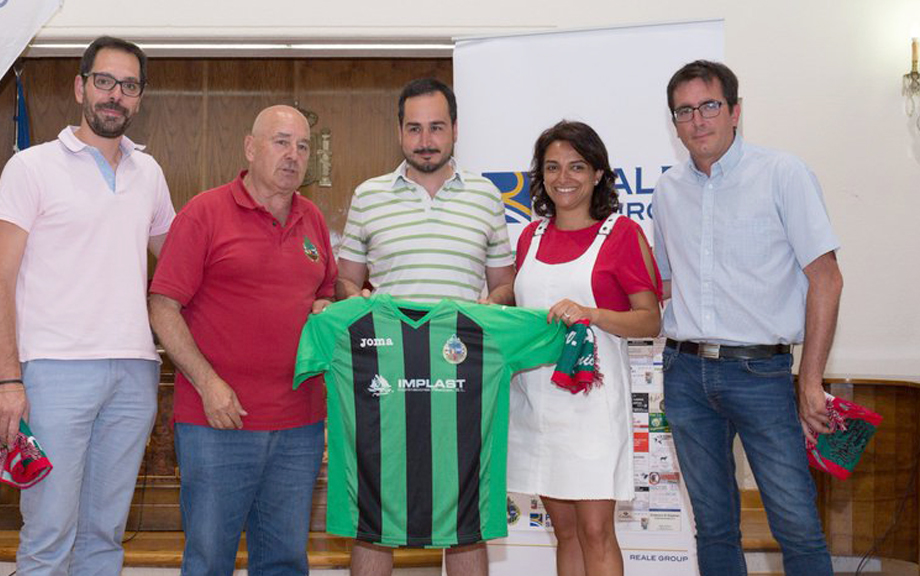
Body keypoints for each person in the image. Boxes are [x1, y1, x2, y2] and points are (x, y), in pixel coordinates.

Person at [0, 36, 175, 576]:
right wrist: (6, 380)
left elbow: (183, 264)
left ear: (140, 97)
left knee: (106, 536)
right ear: (80, 86)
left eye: (129, 86)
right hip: (52, 373)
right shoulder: (31, 167)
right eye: (105, 81)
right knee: (48, 535)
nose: (116, 95)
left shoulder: (149, 173)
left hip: (135, 372)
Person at [652, 60, 842, 576]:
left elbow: (827, 279)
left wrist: (810, 379)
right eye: (684, 111)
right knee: (713, 527)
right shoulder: (667, 192)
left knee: (796, 525)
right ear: (674, 123)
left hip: (763, 376)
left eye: (709, 106)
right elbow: (667, 286)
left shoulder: (783, 174)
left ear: (735, 112)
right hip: (687, 374)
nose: (698, 120)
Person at [336, 77, 514, 576]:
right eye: (414, 128)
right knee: (375, 513)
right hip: (384, 384)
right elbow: (346, 283)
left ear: (455, 129)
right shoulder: (369, 195)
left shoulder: (485, 196)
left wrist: (484, 311)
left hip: (460, 381)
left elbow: (504, 287)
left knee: (464, 519)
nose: (426, 140)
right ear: (399, 132)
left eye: (437, 127)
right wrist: (365, 306)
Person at [148, 105, 336, 576]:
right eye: (280, 142)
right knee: (210, 561)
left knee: (285, 563)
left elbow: (325, 294)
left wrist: (326, 310)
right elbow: (162, 307)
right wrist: (209, 384)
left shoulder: (313, 219)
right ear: (250, 148)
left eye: (302, 145)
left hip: (299, 427)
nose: (293, 155)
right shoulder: (204, 213)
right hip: (219, 424)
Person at [507, 121, 661, 576]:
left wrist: (592, 314)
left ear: (597, 174)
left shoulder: (622, 234)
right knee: (566, 531)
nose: (563, 178)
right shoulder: (529, 237)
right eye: (552, 167)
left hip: (592, 403)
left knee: (596, 530)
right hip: (536, 401)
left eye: (577, 166)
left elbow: (650, 319)